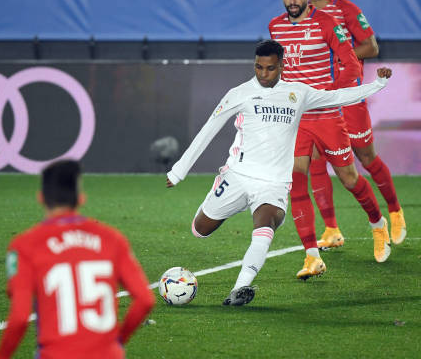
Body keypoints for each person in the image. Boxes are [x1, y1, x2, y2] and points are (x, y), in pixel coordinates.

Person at [166, 40, 392, 303]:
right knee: (200, 229)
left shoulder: (298, 93)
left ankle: (239, 289)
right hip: (238, 176)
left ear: (282, 66)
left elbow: (337, 97)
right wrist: (178, 171)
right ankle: (231, 201)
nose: (263, 74)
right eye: (258, 68)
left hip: (273, 184)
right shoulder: (239, 93)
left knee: (267, 223)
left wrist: (377, 84)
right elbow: (209, 129)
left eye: (270, 68)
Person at [269, 0, 391, 280]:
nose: (293, 0)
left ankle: (378, 224)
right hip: (295, 120)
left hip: (326, 116)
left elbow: (351, 64)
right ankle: (312, 256)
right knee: (296, 181)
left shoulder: (328, 23)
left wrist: (333, 95)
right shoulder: (276, 28)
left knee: (350, 179)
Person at [0, 160, 155, 359]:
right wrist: (118, 341)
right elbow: (145, 300)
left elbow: (20, 317)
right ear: (81, 199)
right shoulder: (112, 239)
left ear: (41, 198)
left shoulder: (24, 246)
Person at [305, 0, 406, 250]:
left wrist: (338, 57)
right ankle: (332, 229)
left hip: (348, 97)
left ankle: (395, 211)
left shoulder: (347, 10)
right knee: (315, 160)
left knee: (366, 158)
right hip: (318, 99)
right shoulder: (303, 15)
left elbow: (371, 46)